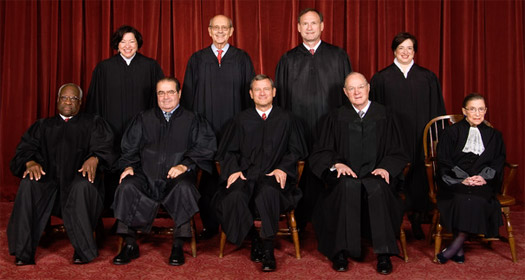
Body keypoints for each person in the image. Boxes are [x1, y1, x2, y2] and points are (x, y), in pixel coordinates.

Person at [309, 73, 408, 274]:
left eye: (360, 87)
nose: (357, 92)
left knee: (378, 186)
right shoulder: (336, 117)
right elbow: (321, 151)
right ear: (345, 92)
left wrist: (386, 167)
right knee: (346, 186)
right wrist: (336, 164)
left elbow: (398, 151)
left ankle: (384, 254)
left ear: (368, 88)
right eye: (351, 89)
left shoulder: (385, 115)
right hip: (347, 175)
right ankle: (340, 252)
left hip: (376, 173)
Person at [111, 77, 216, 266]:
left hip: (177, 177)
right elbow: (129, 149)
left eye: (170, 92)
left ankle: (177, 244)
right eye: (161, 93)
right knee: (127, 186)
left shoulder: (193, 120)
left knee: (184, 187)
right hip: (145, 174)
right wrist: (128, 167)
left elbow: (205, 148)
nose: (166, 97)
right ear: (156, 95)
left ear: (179, 94)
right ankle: (129, 244)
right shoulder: (143, 119)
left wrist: (185, 165)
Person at [7, 83, 116, 265]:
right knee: (29, 184)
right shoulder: (42, 126)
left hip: (78, 182)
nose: (68, 102)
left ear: (80, 103)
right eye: (64, 97)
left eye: (73, 98)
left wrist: (95, 158)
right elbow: (22, 152)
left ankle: (83, 250)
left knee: (82, 186)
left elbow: (107, 150)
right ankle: (22, 251)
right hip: (47, 183)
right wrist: (30, 162)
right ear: (57, 100)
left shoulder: (93, 123)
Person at [213, 75, 307, 272]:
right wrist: (234, 170)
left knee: (267, 193)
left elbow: (297, 151)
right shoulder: (241, 120)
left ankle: (267, 249)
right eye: (258, 90)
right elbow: (227, 151)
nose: (262, 93)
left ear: (274, 92)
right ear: (251, 94)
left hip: (274, 177)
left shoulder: (287, 119)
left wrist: (283, 168)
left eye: (266, 89)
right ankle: (253, 237)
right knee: (235, 196)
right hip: (247, 176)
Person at [275, 8, 352, 229]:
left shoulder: (338, 55)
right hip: (298, 128)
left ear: (322, 26)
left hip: (330, 129)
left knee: (329, 167)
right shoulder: (288, 59)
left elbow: (348, 96)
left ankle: (329, 220)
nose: (309, 28)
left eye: (314, 23)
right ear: (298, 28)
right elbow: (280, 100)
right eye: (305, 24)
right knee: (300, 170)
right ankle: (298, 217)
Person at [182, 14, 256, 239]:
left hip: (234, 131)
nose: (221, 31)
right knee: (207, 180)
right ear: (209, 31)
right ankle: (210, 225)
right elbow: (188, 98)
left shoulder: (242, 59)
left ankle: (237, 225)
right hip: (205, 131)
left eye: (225, 28)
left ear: (232, 31)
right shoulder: (197, 59)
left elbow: (250, 98)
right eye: (216, 28)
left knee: (234, 177)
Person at [370, 32, 446, 239]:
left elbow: (437, 110)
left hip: (421, 136)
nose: (405, 52)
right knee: (395, 175)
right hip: (393, 139)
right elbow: (374, 112)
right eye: (401, 48)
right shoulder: (382, 78)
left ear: (415, 51)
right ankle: (392, 221)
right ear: (394, 50)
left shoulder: (427, 77)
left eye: (410, 48)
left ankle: (416, 218)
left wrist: (436, 140)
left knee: (420, 175)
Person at [86, 25, 165, 209]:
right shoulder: (104, 68)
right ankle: (113, 211)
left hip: (143, 132)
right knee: (113, 165)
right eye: (123, 42)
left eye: (132, 41)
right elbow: (95, 104)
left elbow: (159, 101)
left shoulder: (151, 66)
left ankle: (141, 208)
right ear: (117, 44)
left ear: (138, 44)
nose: (127, 46)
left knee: (139, 167)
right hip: (111, 130)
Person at [435, 94, 504, 264]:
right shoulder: (450, 132)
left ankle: (455, 246)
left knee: (476, 197)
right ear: (464, 111)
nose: (477, 113)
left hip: (483, 181)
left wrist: (482, 177)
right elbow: (444, 160)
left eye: (481, 109)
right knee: (461, 197)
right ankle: (457, 248)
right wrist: (463, 178)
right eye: (472, 109)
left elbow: (498, 161)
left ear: (486, 111)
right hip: (455, 180)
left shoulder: (495, 135)